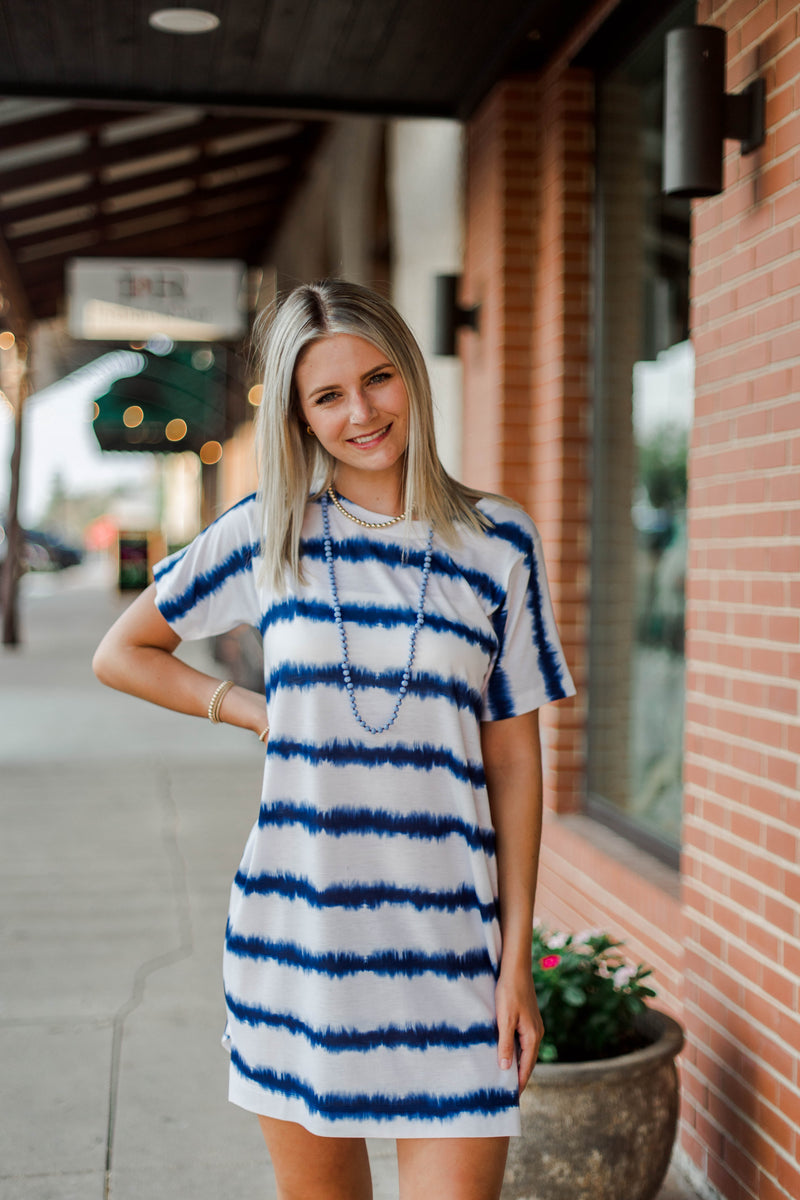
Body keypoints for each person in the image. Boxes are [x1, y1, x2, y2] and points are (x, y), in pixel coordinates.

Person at [93, 279, 575, 1200]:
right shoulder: (268, 534)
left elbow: (514, 759)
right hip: (298, 949)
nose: (361, 412)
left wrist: (515, 962)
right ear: (300, 415)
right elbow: (125, 651)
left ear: (413, 379)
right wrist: (254, 711)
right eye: (328, 395)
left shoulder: (498, 542)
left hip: (454, 959)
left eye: (379, 378)